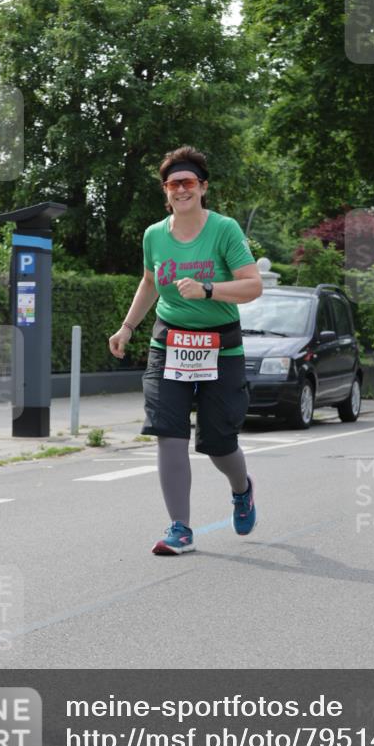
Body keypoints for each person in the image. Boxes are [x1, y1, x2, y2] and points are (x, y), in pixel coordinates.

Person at [108, 146, 263, 554]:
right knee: (168, 433)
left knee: (218, 441)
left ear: (203, 187)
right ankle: (180, 528)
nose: (181, 189)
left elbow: (253, 285)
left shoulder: (224, 230)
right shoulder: (154, 235)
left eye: (188, 182)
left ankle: (242, 489)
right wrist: (127, 327)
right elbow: (149, 282)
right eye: (173, 184)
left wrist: (208, 289)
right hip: (170, 342)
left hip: (220, 344)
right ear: (165, 191)